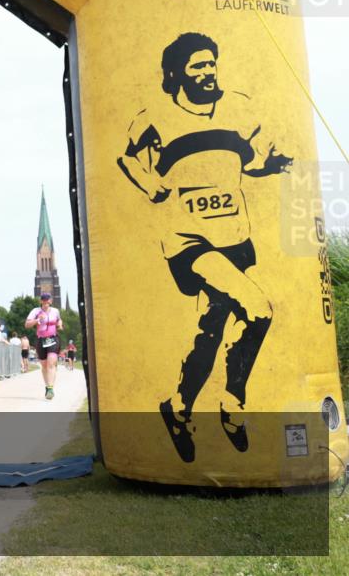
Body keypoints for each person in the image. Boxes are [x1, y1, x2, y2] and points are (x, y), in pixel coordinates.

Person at [117, 32, 289, 463]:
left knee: (209, 334)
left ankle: (176, 408)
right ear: (175, 74)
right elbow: (129, 157)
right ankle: (233, 405)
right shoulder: (155, 116)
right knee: (259, 308)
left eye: (211, 63)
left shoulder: (238, 108)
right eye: (197, 66)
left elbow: (247, 162)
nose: (208, 71)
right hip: (189, 241)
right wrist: (151, 184)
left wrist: (268, 166)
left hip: (235, 237)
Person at [25, 292, 62, 400]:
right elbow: (27, 325)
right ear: (41, 301)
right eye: (44, 301)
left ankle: (50, 389)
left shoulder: (55, 311)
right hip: (41, 340)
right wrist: (37, 320)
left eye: (48, 301)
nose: (46, 303)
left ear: (50, 301)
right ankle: (47, 386)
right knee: (44, 365)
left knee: (51, 363)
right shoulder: (36, 311)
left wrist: (59, 324)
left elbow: (59, 319)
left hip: (53, 338)